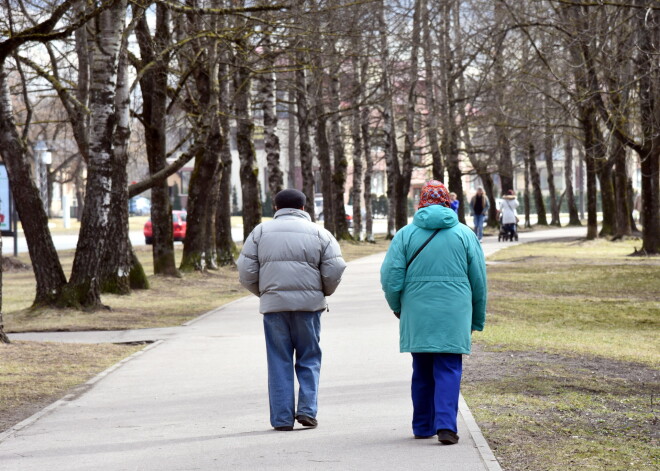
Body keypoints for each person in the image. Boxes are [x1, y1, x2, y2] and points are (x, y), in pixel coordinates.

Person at [380, 180, 487, 445]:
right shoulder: (464, 234)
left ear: (421, 203)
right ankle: (446, 426)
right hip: (454, 312)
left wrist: (397, 306)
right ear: (447, 202)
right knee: (449, 368)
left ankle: (423, 424)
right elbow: (479, 281)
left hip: (417, 313)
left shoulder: (405, 234)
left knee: (422, 368)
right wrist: (477, 317)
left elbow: (390, 277)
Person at [237, 189, 347, 431]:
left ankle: (282, 418)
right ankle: (307, 410)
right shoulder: (320, 233)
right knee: (309, 356)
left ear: (275, 207)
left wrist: (265, 293)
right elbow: (336, 267)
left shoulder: (260, 232)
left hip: (274, 308)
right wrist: (322, 292)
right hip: (309, 307)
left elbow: (245, 272)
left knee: (278, 360)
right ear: (304, 208)